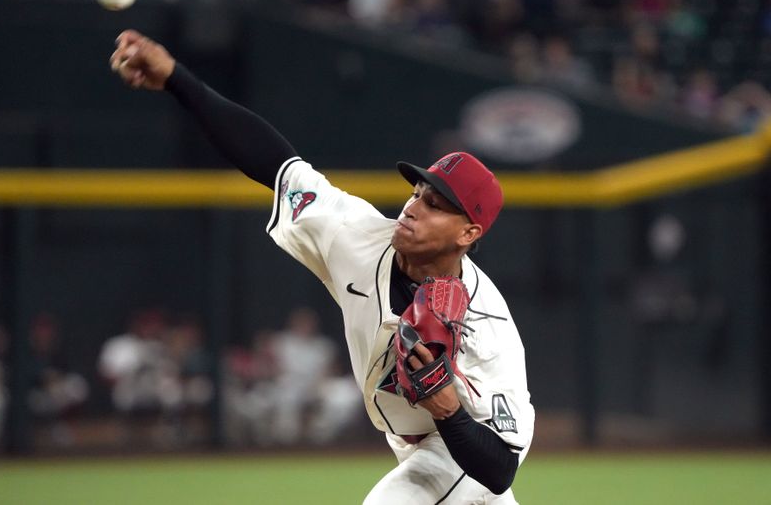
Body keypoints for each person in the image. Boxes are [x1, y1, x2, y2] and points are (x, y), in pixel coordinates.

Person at [109, 29, 534, 504]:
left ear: (468, 233)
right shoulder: (356, 235)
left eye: (435, 204)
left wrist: (449, 409)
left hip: (461, 455)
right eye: (416, 192)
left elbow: (499, 470)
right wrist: (176, 78)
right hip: (411, 447)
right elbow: (274, 162)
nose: (413, 206)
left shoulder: (488, 328)